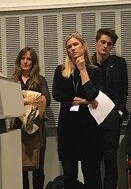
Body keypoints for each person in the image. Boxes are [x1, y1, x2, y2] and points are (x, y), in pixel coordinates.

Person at [52, 32, 102, 189]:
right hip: (68, 128)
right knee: (70, 174)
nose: (72, 48)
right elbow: (57, 95)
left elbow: (92, 94)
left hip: (88, 129)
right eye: (69, 46)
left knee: (91, 173)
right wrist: (83, 100)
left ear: (84, 46)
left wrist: (82, 70)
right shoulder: (60, 71)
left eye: (75, 44)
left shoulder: (94, 71)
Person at [91, 28, 128, 189]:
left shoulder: (119, 63)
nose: (105, 46)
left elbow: (124, 90)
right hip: (91, 119)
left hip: (112, 118)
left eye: (109, 44)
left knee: (110, 161)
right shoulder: (87, 63)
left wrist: (119, 112)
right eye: (103, 42)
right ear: (96, 43)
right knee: (92, 161)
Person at [12, 47, 50, 189]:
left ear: (33, 62)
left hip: (37, 130)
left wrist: (21, 98)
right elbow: (8, 100)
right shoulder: (13, 81)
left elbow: (46, 100)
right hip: (18, 129)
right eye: (23, 58)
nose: (25, 62)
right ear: (19, 61)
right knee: (20, 169)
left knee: (38, 168)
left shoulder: (40, 80)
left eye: (29, 59)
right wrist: (28, 100)